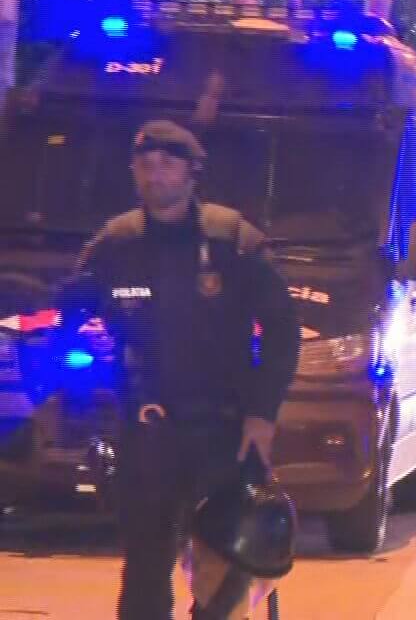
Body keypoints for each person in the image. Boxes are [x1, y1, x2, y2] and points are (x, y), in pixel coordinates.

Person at [56, 121, 299, 620]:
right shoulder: (114, 245)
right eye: (145, 164)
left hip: (224, 431)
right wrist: (81, 397)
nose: (155, 173)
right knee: (144, 570)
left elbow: (282, 332)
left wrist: (262, 415)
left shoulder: (233, 240)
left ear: (192, 173)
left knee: (227, 568)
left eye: (167, 163)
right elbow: (66, 318)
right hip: (147, 436)